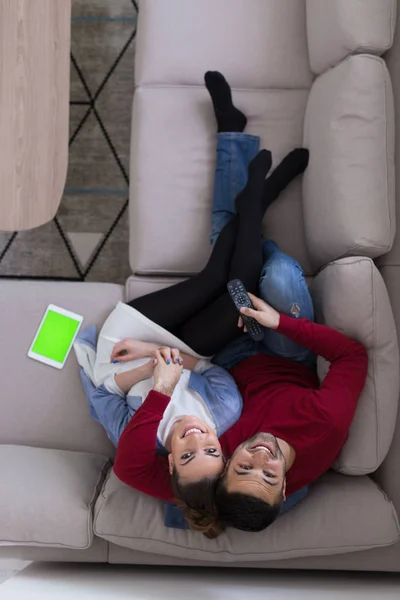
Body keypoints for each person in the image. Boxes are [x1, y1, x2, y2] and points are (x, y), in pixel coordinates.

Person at [114, 72, 369, 535]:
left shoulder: (210, 465)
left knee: (227, 264)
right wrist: (280, 323)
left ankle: (242, 161)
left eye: (241, 467)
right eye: (269, 474)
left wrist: (159, 372)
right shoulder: (324, 430)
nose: (258, 457)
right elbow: (353, 355)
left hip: (225, 354)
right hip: (284, 351)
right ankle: (257, 208)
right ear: (286, 486)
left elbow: (133, 473)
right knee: (279, 278)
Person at [77, 71, 310, 537]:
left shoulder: (137, 440)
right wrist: (170, 362)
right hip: (192, 350)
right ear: (224, 454)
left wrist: (149, 369)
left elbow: (99, 389)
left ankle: (253, 199)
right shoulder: (224, 416)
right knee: (236, 293)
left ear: (170, 465)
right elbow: (207, 369)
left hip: (132, 342)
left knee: (214, 279)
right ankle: (253, 201)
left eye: (186, 454)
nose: (196, 439)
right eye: (211, 451)